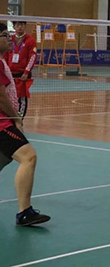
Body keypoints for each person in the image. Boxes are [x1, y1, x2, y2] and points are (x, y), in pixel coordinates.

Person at [0, 23, 50, 226]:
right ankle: (24, 212)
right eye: (4, 35)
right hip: (2, 123)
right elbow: (1, 97)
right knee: (28, 157)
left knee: (4, 159)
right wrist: (16, 118)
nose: (8, 38)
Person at [3, 21, 37, 117]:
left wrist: (26, 72)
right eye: (18, 25)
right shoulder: (10, 39)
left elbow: (32, 57)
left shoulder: (30, 40)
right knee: (9, 97)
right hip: (10, 74)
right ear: (14, 27)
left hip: (22, 75)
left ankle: (20, 118)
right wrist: (5, 70)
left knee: (21, 98)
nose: (20, 27)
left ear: (25, 26)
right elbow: (5, 54)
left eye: (22, 25)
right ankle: (10, 118)